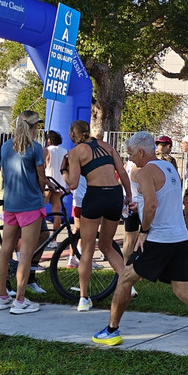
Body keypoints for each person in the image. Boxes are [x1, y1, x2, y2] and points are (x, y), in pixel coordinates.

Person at [92, 131, 188, 349]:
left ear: (142, 151)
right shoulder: (168, 167)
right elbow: (160, 200)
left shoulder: (145, 172)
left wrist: (144, 230)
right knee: (181, 287)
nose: (130, 158)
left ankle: (112, 331)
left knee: (125, 278)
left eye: (132, 153)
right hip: (180, 237)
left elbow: (152, 205)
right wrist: (140, 206)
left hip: (160, 238)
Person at [64, 121, 133, 311]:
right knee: (106, 245)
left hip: (95, 195)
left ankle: (84, 298)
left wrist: (64, 171)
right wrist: (128, 196)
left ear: (72, 133)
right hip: (114, 195)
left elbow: (73, 184)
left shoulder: (76, 152)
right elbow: (122, 173)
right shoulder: (108, 146)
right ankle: (129, 285)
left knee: (87, 250)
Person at [0, 112, 48, 315]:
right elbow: (41, 178)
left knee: (5, 250)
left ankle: (1, 296)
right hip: (30, 204)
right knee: (26, 253)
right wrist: (43, 191)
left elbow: (4, 173)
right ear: (33, 128)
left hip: (11, 203)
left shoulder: (6, 146)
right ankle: (20, 300)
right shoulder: (35, 148)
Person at [44, 131, 66, 226]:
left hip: (47, 182)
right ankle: (54, 238)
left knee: (39, 209)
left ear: (48, 139)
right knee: (57, 212)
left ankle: (39, 233)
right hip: (59, 183)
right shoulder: (65, 151)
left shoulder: (47, 150)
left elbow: (43, 165)